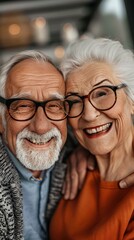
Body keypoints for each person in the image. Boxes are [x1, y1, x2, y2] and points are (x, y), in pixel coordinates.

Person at [0, 50, 92, 240]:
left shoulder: (80, 151)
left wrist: (89, 151)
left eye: (54, 105)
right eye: (23, 105)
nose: (41, 127)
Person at [49, 37, 134, 240]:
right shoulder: (65, 166)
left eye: (103, 93)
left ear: (131, 100)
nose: (88, 114)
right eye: (74, 101)